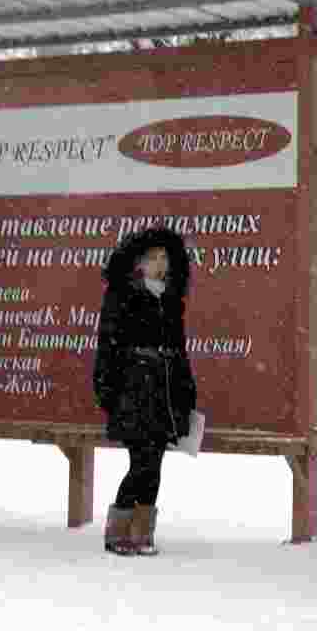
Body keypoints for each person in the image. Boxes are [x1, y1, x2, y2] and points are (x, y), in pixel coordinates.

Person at [93, 227, 197, 556]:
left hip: (164, 395)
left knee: (155, 466)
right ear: (138, 263)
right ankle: (117, 533)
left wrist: (186, 391)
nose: (159, 264)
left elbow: (179, 350)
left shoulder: (170, 298)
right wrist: (108, 392)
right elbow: (107, 346)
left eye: (163, 257)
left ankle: (142, 533)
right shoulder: (123, 293)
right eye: (152, 258)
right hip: (134, 393)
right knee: (142, 464)